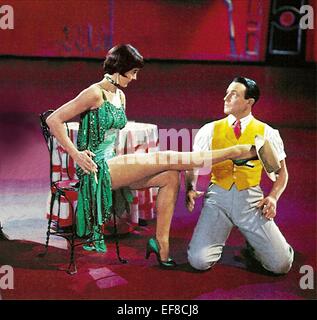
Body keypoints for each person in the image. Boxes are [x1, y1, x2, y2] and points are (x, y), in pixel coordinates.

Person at [46, 45, 256, 268]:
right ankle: (236, 152)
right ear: (120, 69)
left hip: (112, 163)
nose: (135, 78)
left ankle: (160, 243)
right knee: (168, 157)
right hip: (95, 168)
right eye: (134, 72)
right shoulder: (94, 93)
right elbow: (54, 120)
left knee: (170, 176)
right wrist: (77, 155)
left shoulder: (120, 95)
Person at [186, 76, 294, 274]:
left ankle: (257, 247)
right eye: (227, 93)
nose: (226, 98)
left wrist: (273, 197)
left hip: (251, 200)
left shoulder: (267, 132)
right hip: (217, 199)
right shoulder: (209, 130)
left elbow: (282, 173)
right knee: (198, 262)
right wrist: (190, 187)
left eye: (233, 94)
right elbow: (194, 163)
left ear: (249, 102)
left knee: (281, 265)